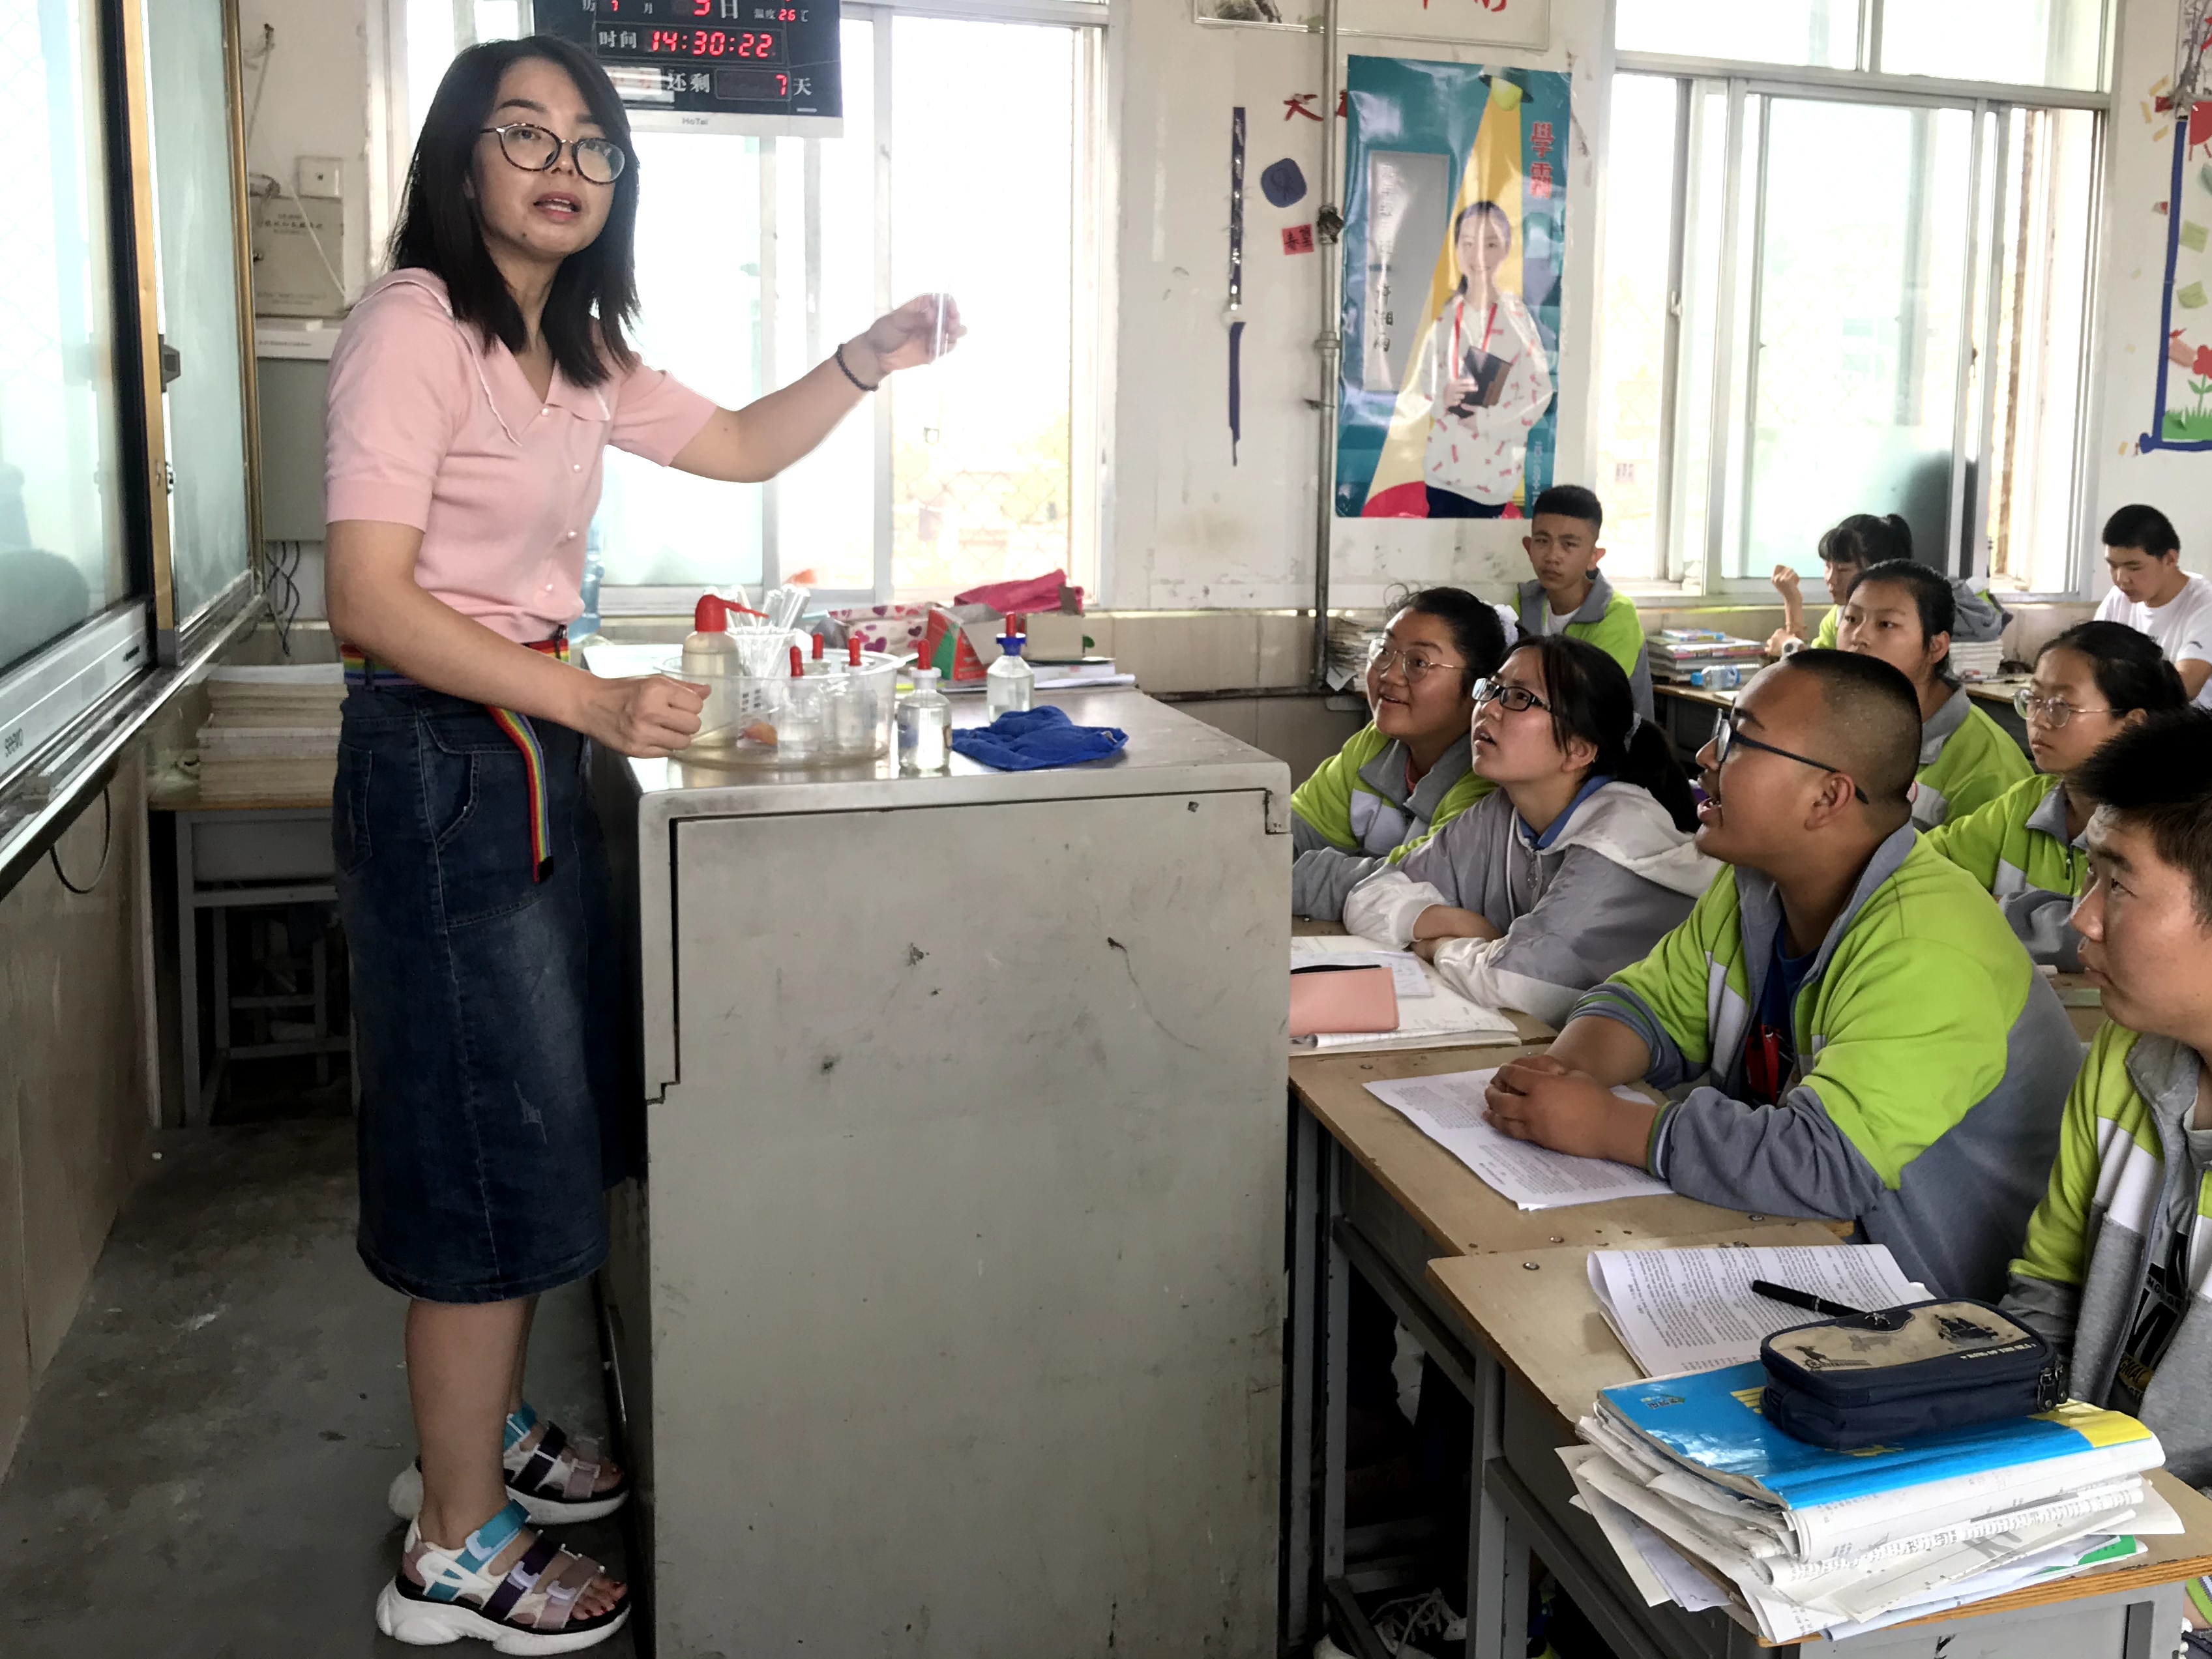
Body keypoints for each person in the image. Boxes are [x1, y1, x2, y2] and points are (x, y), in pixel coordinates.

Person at [322, 37, 956, 1648]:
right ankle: (454, 1541)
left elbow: (736, 442)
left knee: (535, 1114)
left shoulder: (575, 349)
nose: (565, 165)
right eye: (525, 134)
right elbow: (369, 599)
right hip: (443, 752)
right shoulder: (416, 326)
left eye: (592, 143)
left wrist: (866, 358)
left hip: (517, 745)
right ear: (460, 159)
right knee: (485, 1140)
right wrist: (590, 700)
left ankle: (473, 1435)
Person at [1480, 651, 2076, 1298]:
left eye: (1738, 739)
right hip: (1791, 1245)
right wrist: (1561, 1076)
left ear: (1827, 796)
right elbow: (1647, 1005)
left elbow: (1827, 1162)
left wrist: (1606, 1124)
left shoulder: (1927, 943)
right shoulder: (1756, 883)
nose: (1705, 756)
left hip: (1923, 1307)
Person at [2001, 711, 2212, 1518]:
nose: (2082, 918)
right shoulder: (2125, 1057)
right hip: (2089, 1502)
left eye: (2117, 884)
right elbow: (2048, 1295)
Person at [1342, 636, 1714, 1026]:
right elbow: (1367, 898)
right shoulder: (1504, 811)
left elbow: (1512, 982)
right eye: (1492, 688)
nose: (1489, 708)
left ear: (1579, 750)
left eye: (1520, 698)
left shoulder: (1620, 831)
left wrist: (1438, 946)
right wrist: (1458, 924)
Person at [1924, 623, 2187, 966]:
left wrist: (1994, 909)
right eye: (2034, 699)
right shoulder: (2028, 803)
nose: (2040, 720)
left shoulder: (2162, 829)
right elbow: (1924, 865)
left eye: (2062, 705)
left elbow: (2111, 937)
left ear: (2132, 725)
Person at [1291, 588, 1509, 920]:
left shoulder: (1487, 779)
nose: (1388, 674)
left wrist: (1280, 880)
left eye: (1418, 663)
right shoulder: (1375, 744)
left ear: (1478, 688)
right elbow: (1282, 837)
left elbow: (1410, 887)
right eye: (1384, 652)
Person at [1837, 557, 2031, 829]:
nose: (1858, 636)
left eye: (1886, 624)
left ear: (1936, 647)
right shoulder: (1840, 726)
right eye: (1851, 618)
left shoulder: (1988, 765)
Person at [1418, 201, 1554, 518]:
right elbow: (1423, 387)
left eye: (1490, 244)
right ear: (1456, 249)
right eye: (1468, 243)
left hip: (1491, 479)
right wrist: (1443, 397)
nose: (1478, 255)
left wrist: (1485, 421)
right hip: (1442, 476)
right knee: (1436, 547)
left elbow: (1539, 394)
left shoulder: (1516, 316)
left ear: (1506, 249)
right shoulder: (1446, 316)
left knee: (1482, 549)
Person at [1766, 512, 2009, 656]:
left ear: (1879, 568)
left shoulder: (1912, 613)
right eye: (1827, 566)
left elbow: (1847, 675)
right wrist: (1792, 604)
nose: (1831, 579)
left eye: (1843, 569)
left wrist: (1791, 643)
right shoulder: (1841, 615)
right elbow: (1812, 671)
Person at [1511, 484, 1653, 720]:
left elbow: (1584, 700)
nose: (1553, 556)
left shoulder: (1616, 614)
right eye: (1542, 541)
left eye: (1569, 544)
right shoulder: (1524, 602)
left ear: (1593, 557)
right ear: (1528, 547)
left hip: (1608, 737)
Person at [2094, 503, 2212, 709]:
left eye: (2134, 567)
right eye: (2112, 566)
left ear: (2170, 559)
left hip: (2189, 722)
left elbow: (2186, 687)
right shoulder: (2117, 598)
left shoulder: (2205, 604)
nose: (2121, 579)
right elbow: (2090, 662)